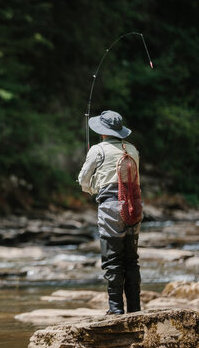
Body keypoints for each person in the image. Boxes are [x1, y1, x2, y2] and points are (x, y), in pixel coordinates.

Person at [78, 110, 142, 315]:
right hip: (134, 207)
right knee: (131, 260)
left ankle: (115, 310)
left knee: (113, 261)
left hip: (110, 209)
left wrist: (91, 189)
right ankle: (135, 309)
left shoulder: (98, 149)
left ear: (102, 132)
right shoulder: (133, 149)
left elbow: (83, 180)